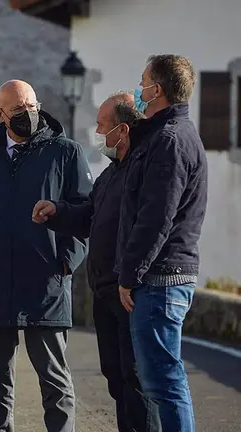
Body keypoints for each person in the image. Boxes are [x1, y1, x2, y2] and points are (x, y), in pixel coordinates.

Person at [0, 80, 92, 432]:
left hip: (46, 280)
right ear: (1, 115)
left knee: (54, 380)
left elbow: (84, 211)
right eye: (19, 110)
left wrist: (66, 262)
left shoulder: (66, 153)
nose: (28, 114)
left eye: (32, 106)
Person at [32, 92, 159, 432]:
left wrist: (131, 277)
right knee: (117, 379)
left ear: (123, 129)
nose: (97, 132)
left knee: (137, 383)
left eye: (103, 125)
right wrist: (57, 212)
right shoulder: (111, 173)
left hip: (128, 292)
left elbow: (151, 226)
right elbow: (89, 216)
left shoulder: (141, 170)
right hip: (106, 292)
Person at [116, 55, 207, 432]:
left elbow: (156, 217)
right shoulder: (170, 135)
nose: (138, 90)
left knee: (164, 384)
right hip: (164, 278)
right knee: (163, 382)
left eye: (143, 82)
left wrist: (129, 275)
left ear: (158, 89)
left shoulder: (169, 141)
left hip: (160, 280)